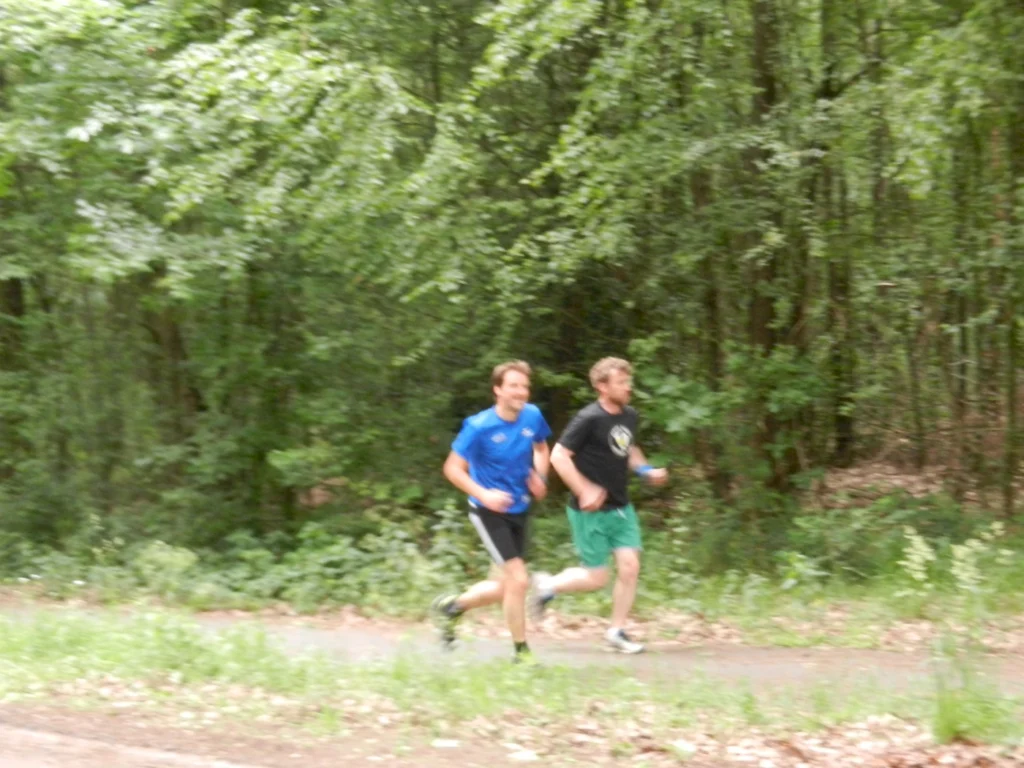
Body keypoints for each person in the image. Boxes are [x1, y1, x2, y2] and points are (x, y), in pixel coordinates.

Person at [530, 357, 667, 654]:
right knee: (596, 578)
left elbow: (628, 448)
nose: (628, 387)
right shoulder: (588, 419)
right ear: (602, 387)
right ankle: (548, 585)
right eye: (621, 382)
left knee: (630, 567)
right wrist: (583, 490)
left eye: (628, 381)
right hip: (589, 511)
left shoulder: (629, 415)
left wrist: (646, 471)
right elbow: (558, 456)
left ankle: (616, 631)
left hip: (621, 506)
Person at [432, 360, 552, 663]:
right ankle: (521, 652)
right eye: (513, 385)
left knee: (504, 588)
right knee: (519, 580)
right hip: (488, 510)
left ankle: (452, 606)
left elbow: (541, 448)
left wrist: (540, 476)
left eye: (524, 386)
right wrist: (483, 493)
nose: (521, 392)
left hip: (520, 508)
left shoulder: (533, 416)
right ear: (498, 390)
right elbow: (452, 469)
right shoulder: (479, 426)